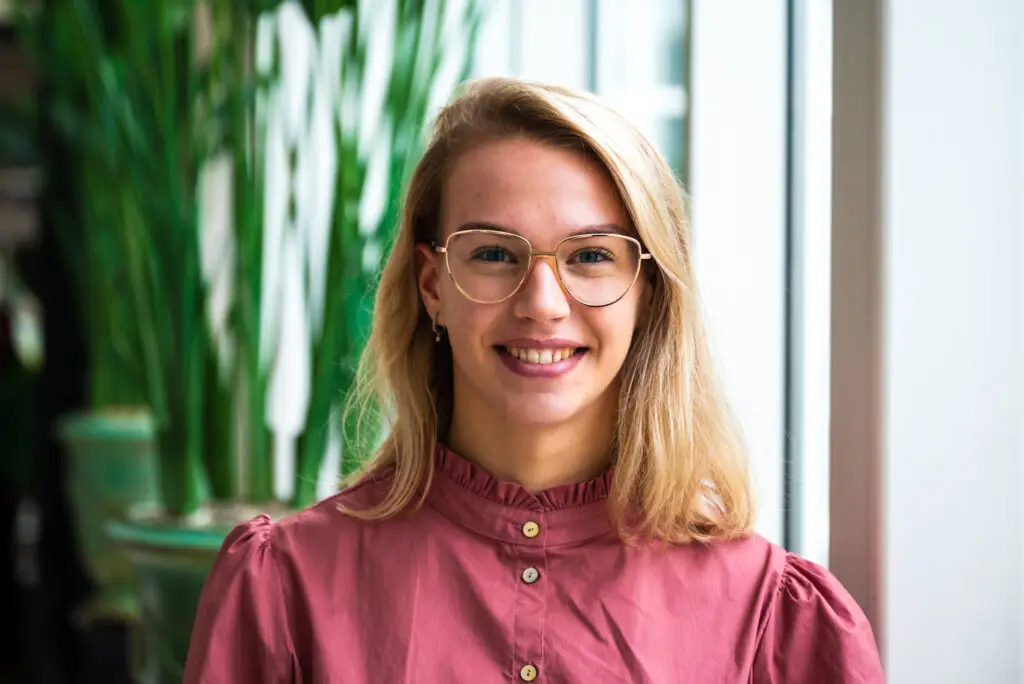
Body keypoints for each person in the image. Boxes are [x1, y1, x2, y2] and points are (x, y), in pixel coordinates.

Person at [182, 77, 884, 683]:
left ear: (648, 292)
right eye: (493, 252)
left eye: (590, 256)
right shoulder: (285, 591)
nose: (542, 303)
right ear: (433, 286)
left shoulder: (775, 623)